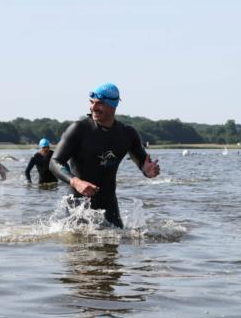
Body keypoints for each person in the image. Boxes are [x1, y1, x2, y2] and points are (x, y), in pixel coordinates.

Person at [49, 83, 160, 228]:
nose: (93, 107)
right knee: (78, 247)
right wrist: (76, 182)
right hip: (79, 206)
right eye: (91, 102)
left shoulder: (127, 134)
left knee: (117, 245)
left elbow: (143, 163)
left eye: (99, 103)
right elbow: (55, 162)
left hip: (109, 206)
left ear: (113, 105)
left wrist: (148, 171)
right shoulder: (79, 129)